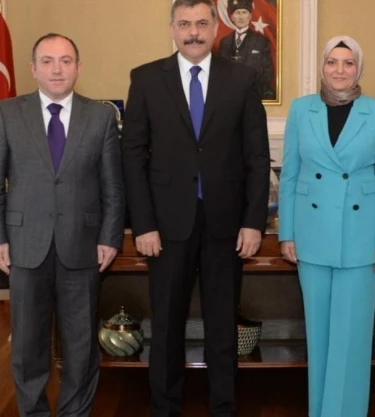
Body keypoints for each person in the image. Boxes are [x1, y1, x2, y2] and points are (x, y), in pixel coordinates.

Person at [120, 0, 270, 415]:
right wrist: (143, 224)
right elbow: (132, 156)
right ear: (172, 28)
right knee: (167, 325)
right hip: (166, 228)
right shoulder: (146, 79)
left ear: (215, 28)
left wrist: (253, 221)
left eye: (202, 23)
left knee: (222, 326)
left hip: (226, 225)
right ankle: (165, 408)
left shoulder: (242, 79)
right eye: (184, 24)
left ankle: (223, 407)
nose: (193, 32)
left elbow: (257, 156)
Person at [0, 33, 125, 417]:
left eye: (65, 61)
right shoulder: (8, 113)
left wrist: (110, 237)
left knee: (81, 346)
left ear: (78, 67)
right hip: (24, 246)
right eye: (47, 61)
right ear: (33, 68)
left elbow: (113, 186)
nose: (56, 69)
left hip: (84, 246)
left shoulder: (101, 116)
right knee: (28, 347)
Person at [278, 35, 375, 417]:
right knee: (319, 334)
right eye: (332, 62)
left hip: (360, 236)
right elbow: (289, 175)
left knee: (352, 336)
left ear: (358, 69)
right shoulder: (301, 109)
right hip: (311, 234)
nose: (340, 70)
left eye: (348, 63)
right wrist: (286, 233)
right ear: (322, 66)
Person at [217, 0, 275, 100]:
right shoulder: (225, 42)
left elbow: (267, 72)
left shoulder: (261, 41)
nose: (241, 17)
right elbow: (221, 71)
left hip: (255, 95)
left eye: (244, 12)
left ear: (250, 16)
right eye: (237, 13)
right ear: (232, 17)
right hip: (230, 97)